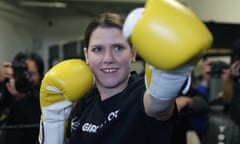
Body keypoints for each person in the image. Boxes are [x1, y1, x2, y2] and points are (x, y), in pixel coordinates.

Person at [39, 0, 213, 144]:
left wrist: (170, 74)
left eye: (118, 47)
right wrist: (52, 120)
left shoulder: (141, 93)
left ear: (133, 52)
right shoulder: (81, 99)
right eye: (98, 49)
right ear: (86, 54)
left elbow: (159, 107)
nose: (108, 58)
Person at [0, 52, 44, 144]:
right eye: (23, 73)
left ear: (40, 75)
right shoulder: (7, 89)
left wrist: (20, 98)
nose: (27, 78)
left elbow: (37, 128)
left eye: (31, 74)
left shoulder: (45, 94)